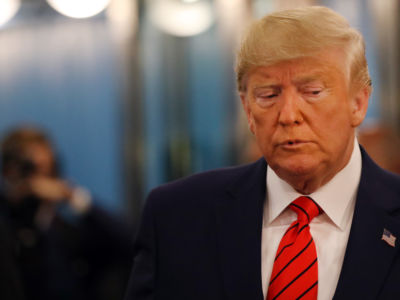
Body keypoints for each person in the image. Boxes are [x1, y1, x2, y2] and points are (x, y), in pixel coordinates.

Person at [125, 6, 400, 300]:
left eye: (313, 91)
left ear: (358, 103)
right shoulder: (177, 217)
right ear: (247, 110)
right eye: (268, 95)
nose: (288, 115)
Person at [0, 126, 134, 300]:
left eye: (46, 169)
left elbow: (129, 241)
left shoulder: (67, 225)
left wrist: (73, 197)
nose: (37, 180)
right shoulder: (7, 219)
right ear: (9, 172)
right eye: (28, 170)